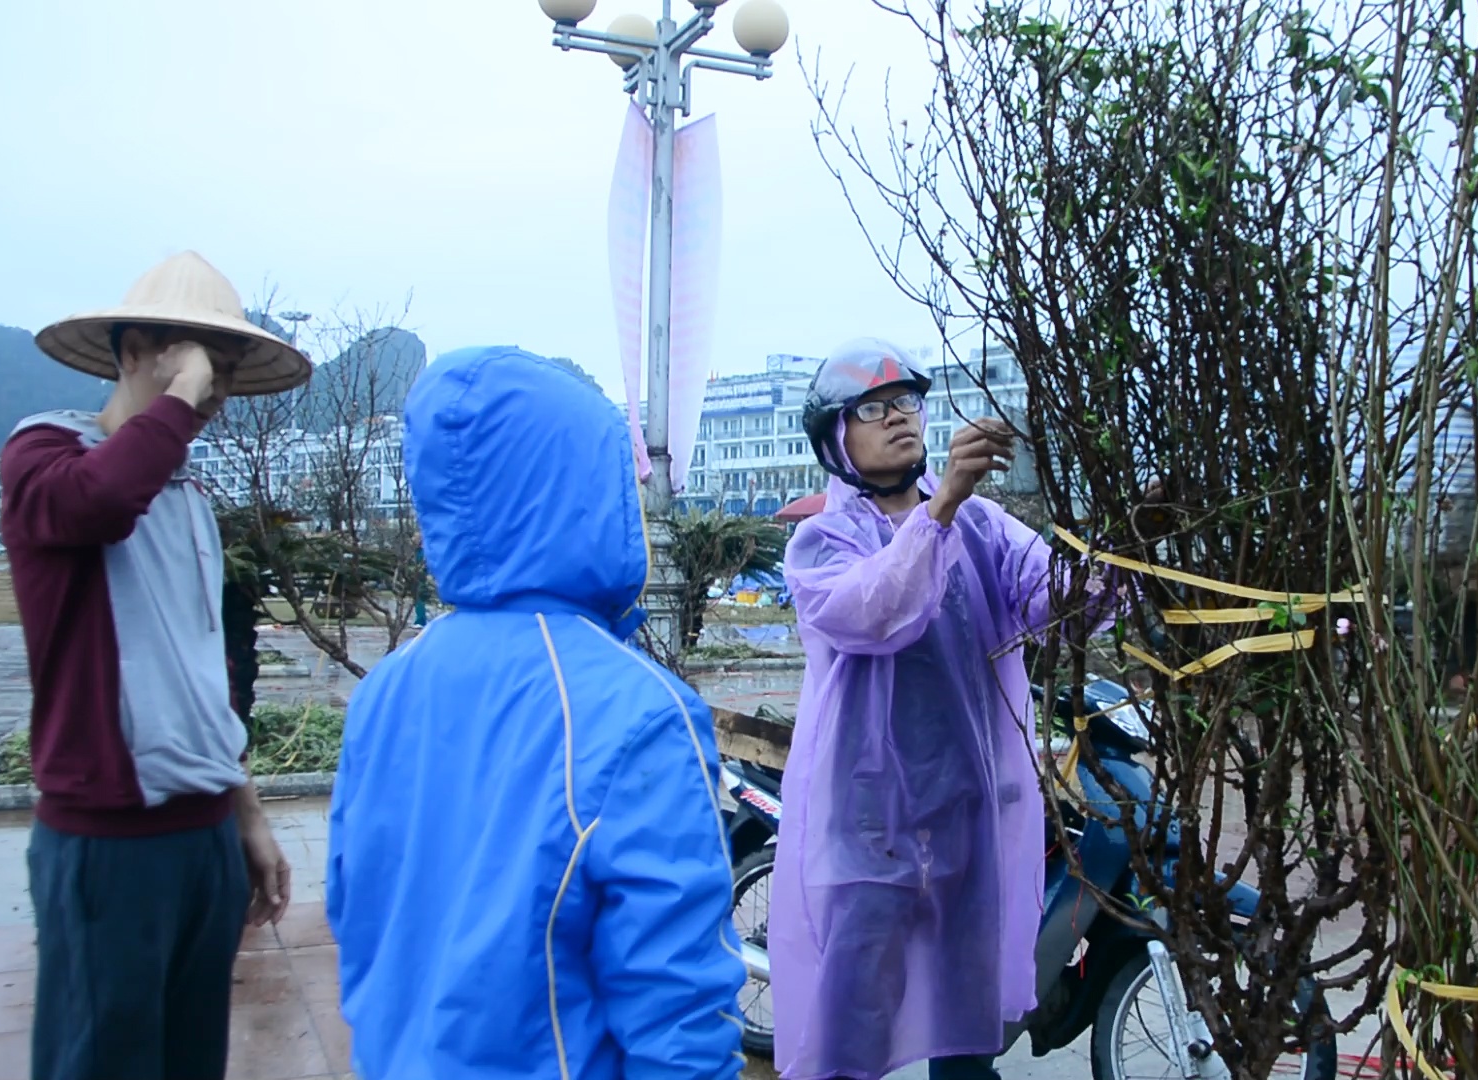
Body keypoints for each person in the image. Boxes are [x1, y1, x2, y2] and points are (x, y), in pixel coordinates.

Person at [328, 346, 747, 1080]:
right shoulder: (639, 711)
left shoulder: (386, 689)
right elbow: (678, 1009)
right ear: (591, 495)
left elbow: (355, 910)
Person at [1, 251, 309, 1080]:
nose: (211, 395)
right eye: (199, 363)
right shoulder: (45, 455)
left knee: (189, 1058)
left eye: (225, 374)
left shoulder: (186, 497)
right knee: (104, 1059)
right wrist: (175, 397)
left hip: (202, 835)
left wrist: (245, 812)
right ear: (134, 349)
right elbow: (98, 503)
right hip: (109, 841)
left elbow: (201, 670)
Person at [769, 339, 1062, 1080]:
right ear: (836, 436)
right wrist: (941, 507)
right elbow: (876, 612)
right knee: (853, 1024)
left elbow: (1054, 601)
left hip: (967, 810)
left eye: (905, 402)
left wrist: (1123, 550)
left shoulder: (983, 525)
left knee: (966, 1028)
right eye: (872, 409)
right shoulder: (822, 540)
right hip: (867, 823)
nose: (898, 417)